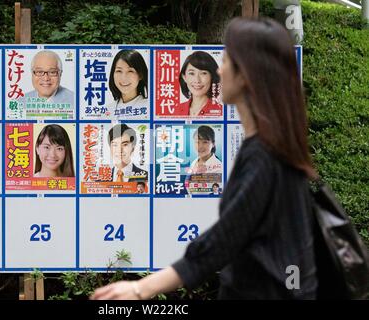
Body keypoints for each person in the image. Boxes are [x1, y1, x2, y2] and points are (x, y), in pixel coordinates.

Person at [91, 17, 318, 300]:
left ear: (245, 73)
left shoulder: (266, 155)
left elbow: (225, 238)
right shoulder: (270, 146)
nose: (219, 72)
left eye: (225, 61)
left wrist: (141, 288)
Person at [178, 51, 223, 117]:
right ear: (184, 77)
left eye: (203, 73)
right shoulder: (176, 110)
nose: (197, 80)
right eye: (192, 73)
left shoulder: (221, 112)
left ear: (212, 77)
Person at [107, 50, 148, 118]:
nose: (124, 78)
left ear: (140, 75)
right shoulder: (107, 112)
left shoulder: (151, 108)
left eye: (130, 71)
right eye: (119, 71)